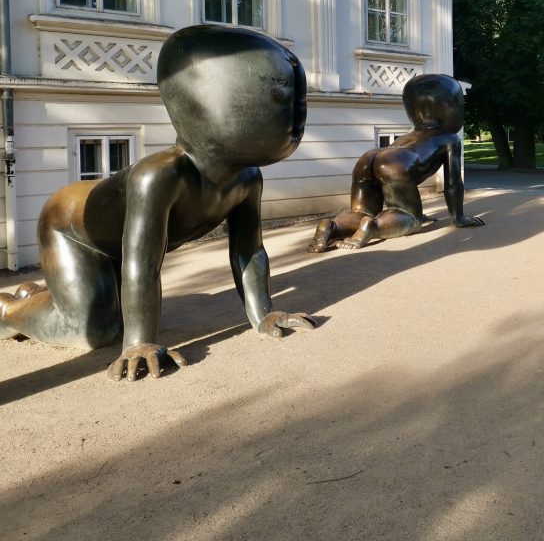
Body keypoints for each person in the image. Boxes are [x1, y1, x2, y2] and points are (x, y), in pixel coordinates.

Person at [0, 25, 315, 380]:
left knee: (105, 307)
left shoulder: (246, 179)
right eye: (280, 95)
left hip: (115, 239)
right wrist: (139, 342)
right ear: (207, 103)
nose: (295, 113)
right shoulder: (160, 177)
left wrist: (262, 314)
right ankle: (9, 310)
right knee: (95, 329)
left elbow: (248, 251)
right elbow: (142, 264)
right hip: (72, 230)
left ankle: (41, 293)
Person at [308, 74, 484, 253]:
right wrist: (458, 218)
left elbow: (387, 161)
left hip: (369, 157)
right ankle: (373, 226)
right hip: (395, 163)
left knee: (361, 211)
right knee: (410, 218)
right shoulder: (450, 139)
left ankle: (331, 226)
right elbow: (453, 183)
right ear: (448, 108)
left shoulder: (406, 137)